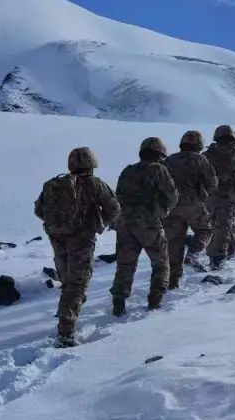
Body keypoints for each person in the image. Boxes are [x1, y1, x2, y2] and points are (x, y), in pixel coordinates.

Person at [34, 147, 120, 346]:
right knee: (78, 284)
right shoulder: (96, 184)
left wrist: (61, 225)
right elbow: (114, 209)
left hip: (57, 238)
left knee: (67, 281)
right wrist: (100, 223)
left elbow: (39, 210)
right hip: (82, 238)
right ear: (91, 164)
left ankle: (67, 310)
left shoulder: (53, 184)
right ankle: (66, 332)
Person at [111, 137, 178, 316]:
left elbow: (118, 195)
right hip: (148, 223)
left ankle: (119, 302)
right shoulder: (159, 169)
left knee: (125, 264)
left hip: (125, 222)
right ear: (160, 155)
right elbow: (172, 195)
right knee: (161, 262)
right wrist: (164, 211)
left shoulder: (128, 170)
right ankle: (155, 301)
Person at [163, 130, 218, 289]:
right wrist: (203, 193)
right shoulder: (201, 160)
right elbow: (213, 182)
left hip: (172, 207)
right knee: (206, 230)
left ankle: (173, 282)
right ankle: (193, 254)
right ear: (199, 145)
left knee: (174, 242)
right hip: (193, 204)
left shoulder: (169, 160)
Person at [204, 125, 235, 269]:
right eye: (223, 139)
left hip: (224, 199)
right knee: (220, 227)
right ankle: (223, 254)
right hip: (217, 199)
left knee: (222, 227)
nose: (225, 142)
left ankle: (219, 257)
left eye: (227, 139)